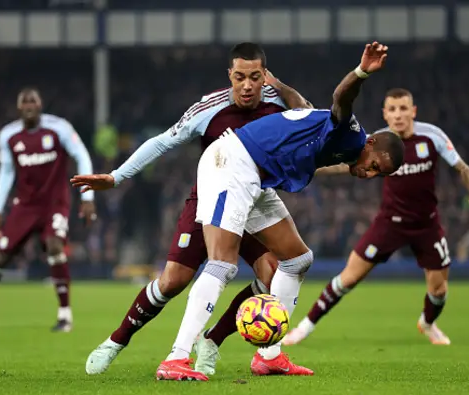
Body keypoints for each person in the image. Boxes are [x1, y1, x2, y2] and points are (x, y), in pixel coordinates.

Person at [144, 41, 402, 381]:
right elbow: (341, 98)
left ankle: (269, 356)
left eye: (377, 174)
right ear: (370, 144)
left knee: (297, 259)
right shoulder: (352, 136)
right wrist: (362, 72)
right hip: (231, 162)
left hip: (256, 176)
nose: (370, 173)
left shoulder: (338, 143)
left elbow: (301, 106)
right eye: (373, 165)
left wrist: (277, 84)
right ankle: (176, 358)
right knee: (222, 263)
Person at [70, 42, 313, 376]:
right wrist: (116, 176)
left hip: (254, 201)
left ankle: (216, 341)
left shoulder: (276, 102)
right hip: (211, 201)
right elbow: (163, 141)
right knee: (173, 281)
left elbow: (308, 116)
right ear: (230, 74)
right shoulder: (209, 108)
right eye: (239, 76)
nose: (246, 85)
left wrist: (281, 87)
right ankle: (117, 340)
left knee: (273, 272)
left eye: (255, 77)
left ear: (264, 77)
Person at [282, 88, 469, 347]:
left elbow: (463, 168)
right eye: (392, 109)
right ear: (385, 114)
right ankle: (303, 328)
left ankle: (427, 323)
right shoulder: (375, 142)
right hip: (389, 223)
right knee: (348, 278)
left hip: (427, 224)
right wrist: (308, 166)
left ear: (413, 111)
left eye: (403, 109)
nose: (398, 115)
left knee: (439, 290)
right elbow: (342, 165)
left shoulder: (431, 137)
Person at [0, 88, 97, 333]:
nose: (29, 104)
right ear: (19, 107)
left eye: (33, 100)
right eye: (24, 101)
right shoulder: (9, 135)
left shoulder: (59, 128)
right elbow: (7, 173)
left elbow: (82, 156)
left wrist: (87, 196)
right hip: (24, 206)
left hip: (55, 203)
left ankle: (65, 316)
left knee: (55, 246)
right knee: (1, 255)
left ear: (40, 104)